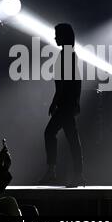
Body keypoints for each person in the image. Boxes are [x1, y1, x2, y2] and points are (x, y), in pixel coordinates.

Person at [39, 23, 84, 187]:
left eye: (57, 34)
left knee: (53, 134)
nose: (55, 37)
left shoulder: (67, 54)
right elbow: (76, 80)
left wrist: (55, 101)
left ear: (64, 36)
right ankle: (73, 174)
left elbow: (65, 82)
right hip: (68, 103)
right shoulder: (68, 53)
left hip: (66, 103)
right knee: (69, 137)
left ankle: (55, 171)